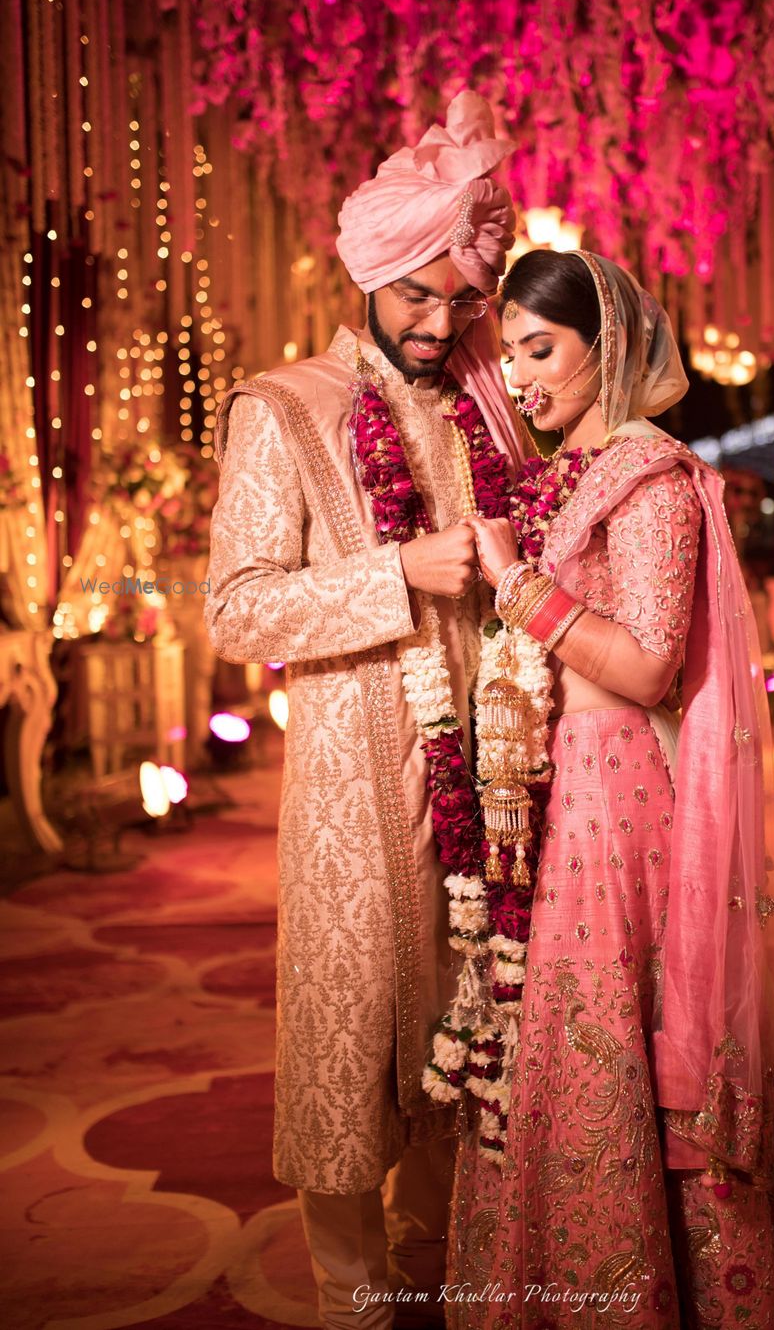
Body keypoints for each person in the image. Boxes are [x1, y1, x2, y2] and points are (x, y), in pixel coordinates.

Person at [452, 248, 774, 1328]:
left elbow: (643, 664)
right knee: (560, 1036)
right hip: (565, 792)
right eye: (513, 356)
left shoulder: (651, 479)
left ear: (611, 341)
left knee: (613, 1035)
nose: (524, 378)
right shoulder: (577, 476)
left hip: (618, 797)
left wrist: (515, 587)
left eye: (542, 349)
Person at [204, 91, 529, 1330]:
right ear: (369, 279)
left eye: (465, 298)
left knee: (474, 1033)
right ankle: (353, 1299)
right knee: (349, 1054)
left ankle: (450, 1268)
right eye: (417, 297)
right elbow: (235, 611)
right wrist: (393, 575)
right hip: (350, 793)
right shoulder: (281, 407)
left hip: (494, 786)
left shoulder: (490, 411)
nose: (441, 324)